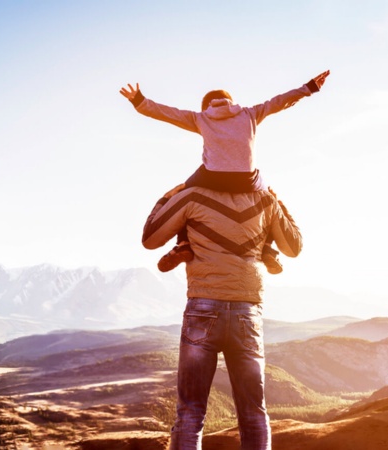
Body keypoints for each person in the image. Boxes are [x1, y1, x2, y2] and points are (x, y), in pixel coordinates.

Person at [141, 182, 303, 450]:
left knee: (191, 412)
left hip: (203, 307)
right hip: (247, 311)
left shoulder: (192, 195)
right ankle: (266, 251)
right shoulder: (264, 199)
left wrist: (167, 197)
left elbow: (150, 238)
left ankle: (183, 245)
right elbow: (294, 247)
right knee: (253, 412)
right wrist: (278, 202)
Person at [120, 70, 329, 275]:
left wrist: (138, 100)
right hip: (247, 180)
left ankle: (183, 243)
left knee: (184, 192)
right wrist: (308, 88)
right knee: (268, 199)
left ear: (206, 106)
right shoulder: (250, 113)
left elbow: (166, 113)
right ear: (230, 102)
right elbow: (279, 102)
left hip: (213, 177)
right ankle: (267, 248)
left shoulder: (201, 118)